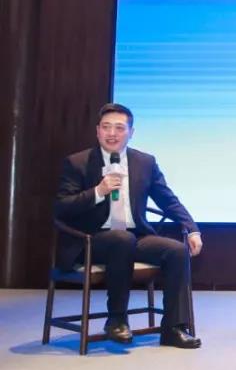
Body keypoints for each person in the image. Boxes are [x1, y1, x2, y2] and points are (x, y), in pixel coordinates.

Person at [54, 103, 203, 349]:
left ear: (131, 132)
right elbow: (62, 207)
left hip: (134, 236)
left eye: (119, 128)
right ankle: (116, 320)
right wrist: (98, 191)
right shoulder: (77, 162)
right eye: (106, 127)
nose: (112, 133)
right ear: (97, 131)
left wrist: (192, 228)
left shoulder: (144, 162)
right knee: (121, 240)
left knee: (176, 250)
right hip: (90, 239)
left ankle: (173, 328)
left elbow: (167, 200)